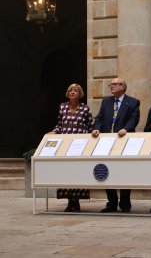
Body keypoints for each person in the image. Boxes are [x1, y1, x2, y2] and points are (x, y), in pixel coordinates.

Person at [92, 78, 140, 213]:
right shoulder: (106, 101)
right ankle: (112, 203)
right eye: (111, 84)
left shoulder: (133, 102)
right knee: (106, 170)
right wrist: (96, 128)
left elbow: (134, 119)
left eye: (115, 84)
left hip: (123, 140)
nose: (112, 86)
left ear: (123, 87)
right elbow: (99, 118)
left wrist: (126, 129)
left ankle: (125, 203)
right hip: (106, 142)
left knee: (124, 172)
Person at [50, 83, 93, 212]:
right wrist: (53, 132)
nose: (73, 92)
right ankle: (69, 201)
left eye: (75, 91)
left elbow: (90, 126)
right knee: (66, 172)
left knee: (79, 172)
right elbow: (59, 125)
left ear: (80, 94)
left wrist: (93, 134)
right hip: (65, 146)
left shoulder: (85, 109)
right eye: (70, 91)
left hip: (80, 146)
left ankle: (77, 201)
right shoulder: (62, 107)